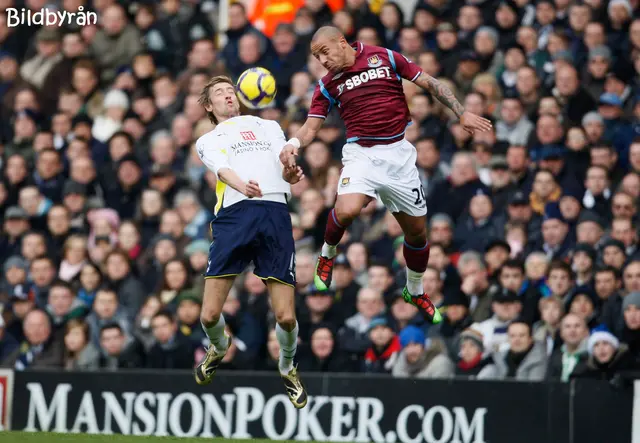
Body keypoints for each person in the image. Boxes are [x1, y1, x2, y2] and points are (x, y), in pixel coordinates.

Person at [279, 26, 492, 324]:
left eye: (324, 53)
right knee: (348, 209)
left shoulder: (385, 57)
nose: (322, 61)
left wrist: (461, 113)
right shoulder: (327, 85)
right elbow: (311, 127)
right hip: (361, 155)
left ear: (342, 43)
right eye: (316, 57)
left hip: (399, 157)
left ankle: (414, 290)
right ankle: (327, 254)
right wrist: (293, 144)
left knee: (417, 233)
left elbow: (429, 83)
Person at [193, 75, 307, 409]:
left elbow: (283, 168)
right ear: (208, 106)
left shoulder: (270, 127)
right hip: (235, 216)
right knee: (209, 315)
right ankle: (218, 347)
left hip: (274, 213)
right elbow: (222, 169)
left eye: (231, 91)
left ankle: (287, 366)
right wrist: (242, 185)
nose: (228, 96)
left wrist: (290, 173)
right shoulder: (209, 138)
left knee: (286, 316)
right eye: (219, 93)